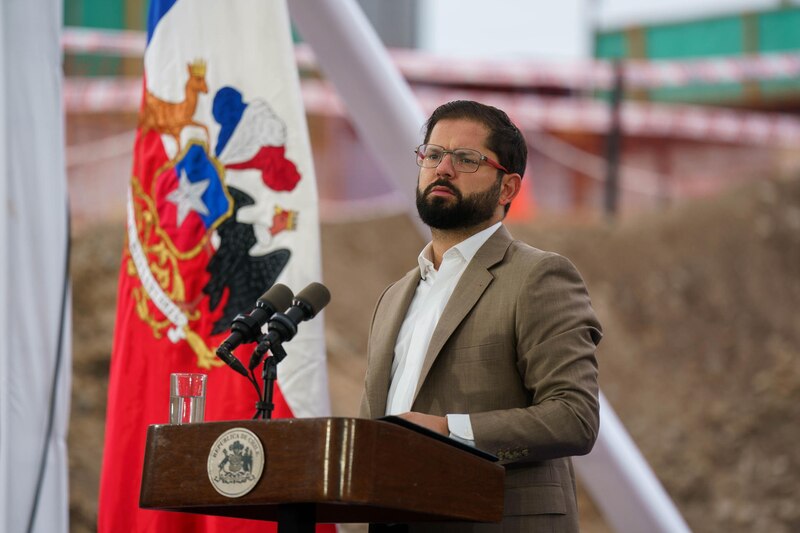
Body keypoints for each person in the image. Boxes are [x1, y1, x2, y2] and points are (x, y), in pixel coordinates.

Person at [360, 100, 602, 532]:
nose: (443, 169)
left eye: (466, 159)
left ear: (507, 189)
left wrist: (447, 430)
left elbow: (574, 417)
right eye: (433, 155)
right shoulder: (393, 297)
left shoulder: (538, 277)